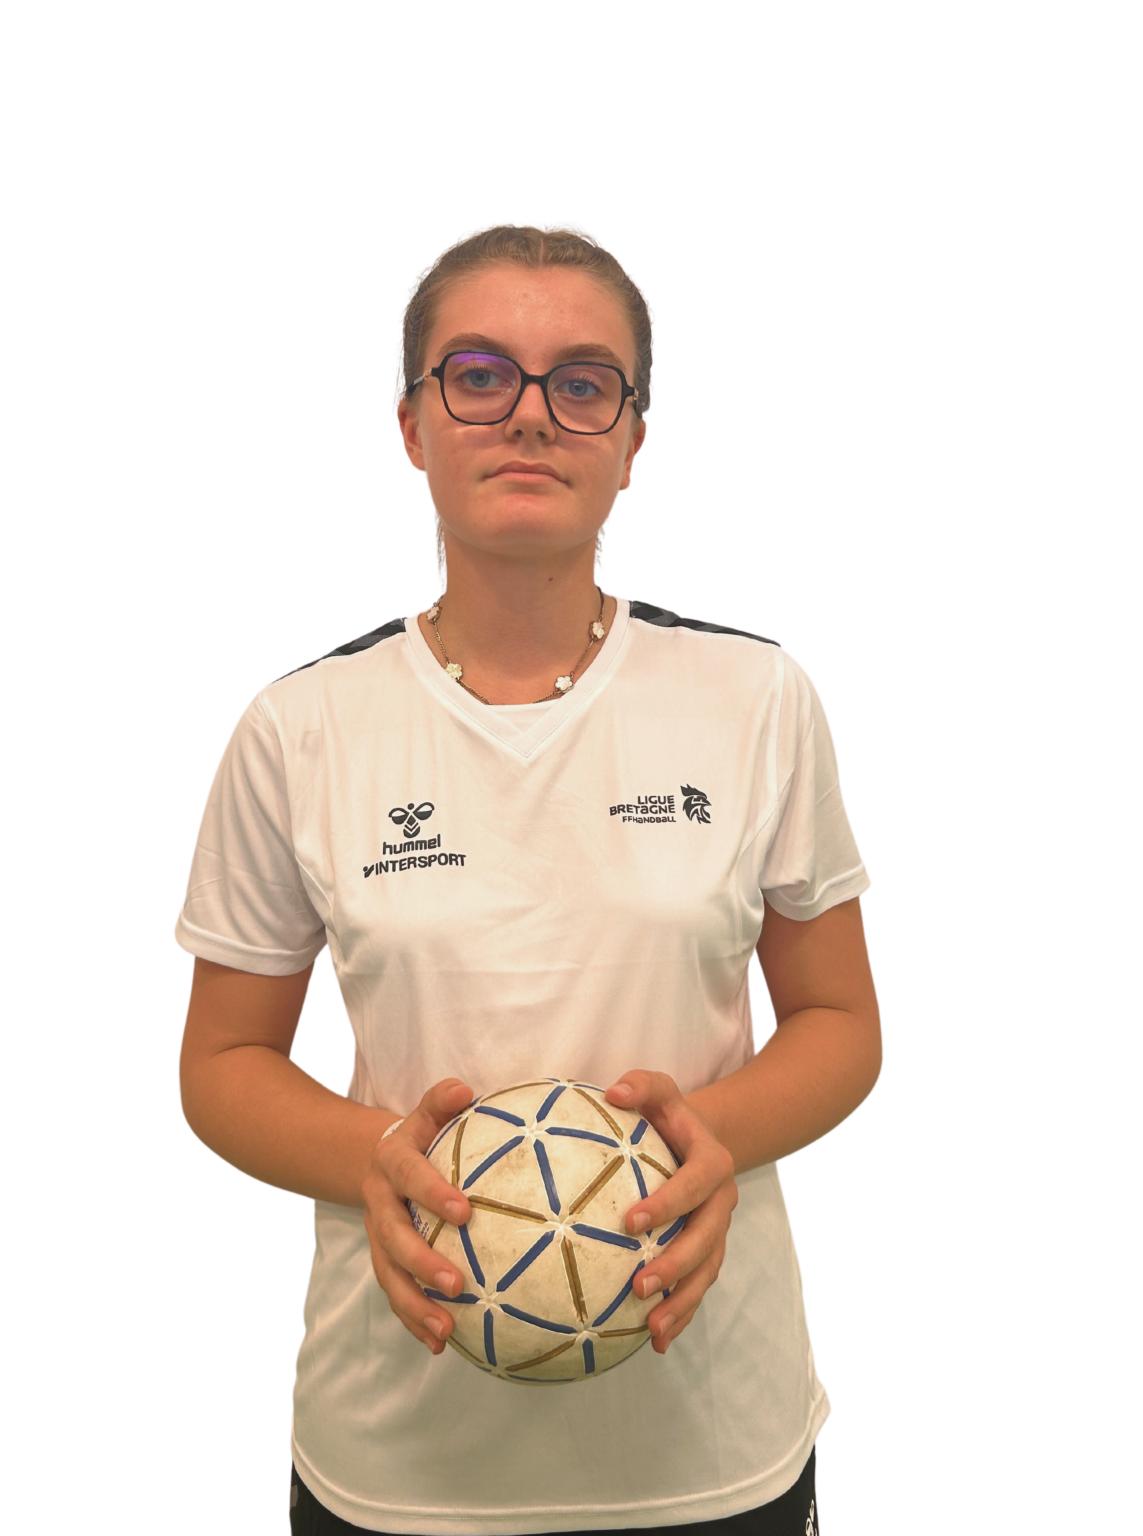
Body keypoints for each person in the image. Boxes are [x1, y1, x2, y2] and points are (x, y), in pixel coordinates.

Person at [174, 219, 883, 1535]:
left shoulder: (758, 698)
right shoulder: (297, 727)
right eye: (481, 374)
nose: (532, 414)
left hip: (711, 1443)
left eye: (584, 382)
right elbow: (220, 1063)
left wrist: (718, 1140)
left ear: (635, 438)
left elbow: (843, 1023)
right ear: (409, 424)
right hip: (397, 1463)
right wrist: (375, 1156)